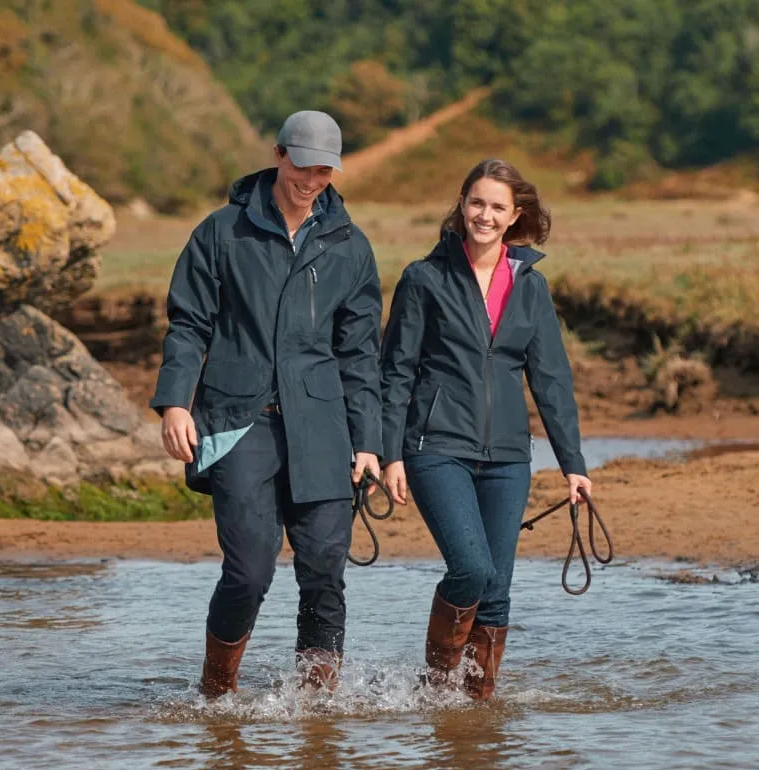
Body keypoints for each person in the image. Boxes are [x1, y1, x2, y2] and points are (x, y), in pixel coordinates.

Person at [150, 110, 382, 698]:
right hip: (237, 422)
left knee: (325, 569)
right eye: (303, 166)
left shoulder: (350, 246)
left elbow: (359, 354)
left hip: (324, 429)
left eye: (324, 170)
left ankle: (316, 706)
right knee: (250, 570)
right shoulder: (221, 232)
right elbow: (187, 326)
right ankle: (218, 693)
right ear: (279, 155)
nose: (311, 180)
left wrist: (369, 441)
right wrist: (176, 403)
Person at [380, 159, 591, 700]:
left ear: (515, 215)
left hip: (508, 458)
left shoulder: (531, 286)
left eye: (498, 207)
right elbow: (396, 372)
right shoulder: (423, 278)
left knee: (497, 590)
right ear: (462, 204)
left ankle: (475, 709)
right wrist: (390, 454)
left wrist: (573, 466)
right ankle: (436, 689)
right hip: (435, 448)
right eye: (477, 203)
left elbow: (551, 381)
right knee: (471, 570)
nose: (485, 215)